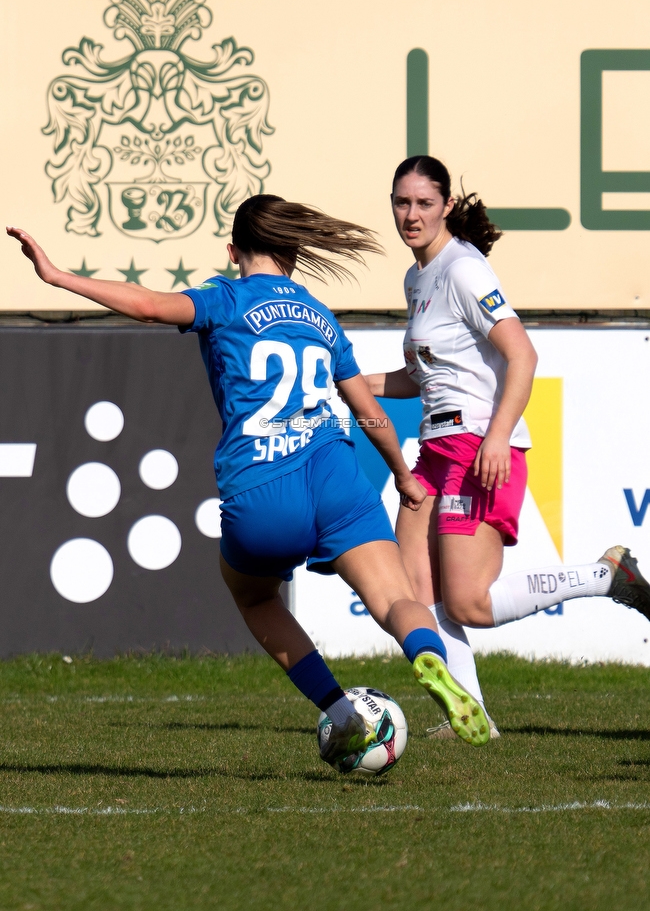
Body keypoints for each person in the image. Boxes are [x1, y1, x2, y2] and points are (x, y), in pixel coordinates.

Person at [7, 194, 494, 768]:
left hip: (262, 485)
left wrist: (58, 275)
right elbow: (370, 413)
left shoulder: (225, 299)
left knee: (255, 594)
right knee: (396, 599)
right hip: (336, 474)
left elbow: (144, 305)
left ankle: (341, 714)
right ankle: (426, 655)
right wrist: (404, 477)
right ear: (292, 254)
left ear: (233, 250)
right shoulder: (320, 316)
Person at [365, 155, 650, 739]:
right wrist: (348, 383)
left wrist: (497, 438)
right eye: (401, 202)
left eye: (423, 203)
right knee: (419, 593)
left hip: (475, 446)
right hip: (436, 448)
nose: (411, 215)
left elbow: (524, 355)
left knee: (468, 604)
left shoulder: (463, 270)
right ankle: (473, 720)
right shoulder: (417, 276)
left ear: (446, 206)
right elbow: (420, 377)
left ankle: (606, 575)